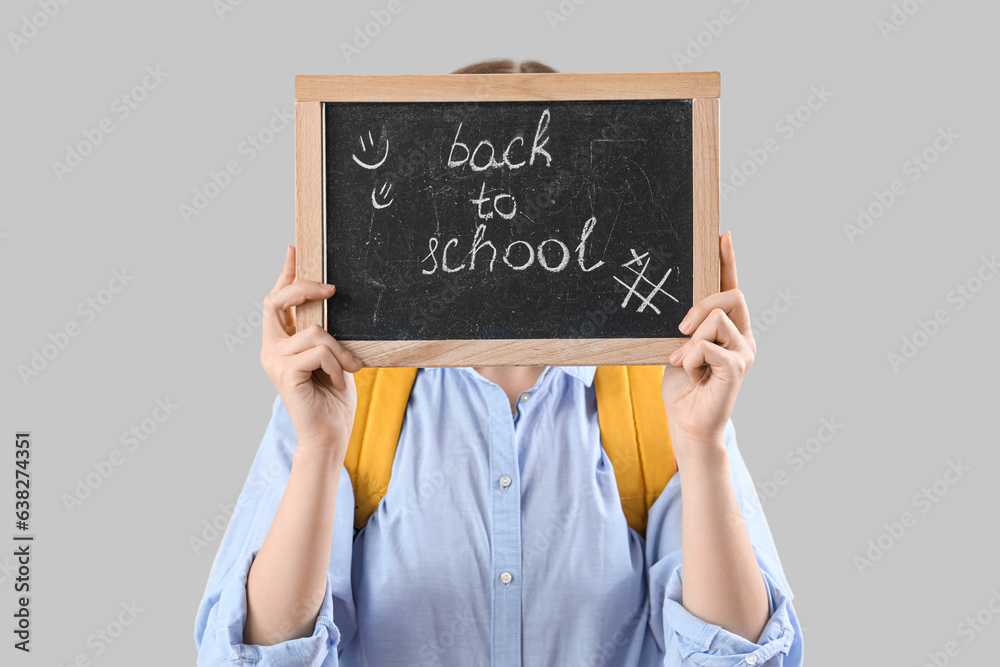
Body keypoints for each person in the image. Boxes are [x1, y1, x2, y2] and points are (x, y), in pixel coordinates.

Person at [194, 59, 804, 666]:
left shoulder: (663, 402)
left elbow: (744, 660)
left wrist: (703, 444)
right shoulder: (342, 400)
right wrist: (319, 449)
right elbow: (249, 658)